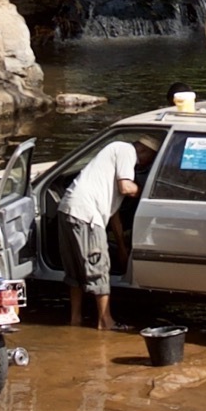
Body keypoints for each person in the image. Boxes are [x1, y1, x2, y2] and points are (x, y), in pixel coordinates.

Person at [61, 138, 141, 330]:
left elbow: (113, 215)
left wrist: (121, 248)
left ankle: (75, 319)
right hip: (87, 215)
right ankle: (105, 321)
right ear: (144, 151)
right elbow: (126, 187)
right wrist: (144, 191)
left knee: (75, 271)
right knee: (99, 269)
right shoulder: (127, 150)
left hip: (68, 209)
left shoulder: (109, 161)